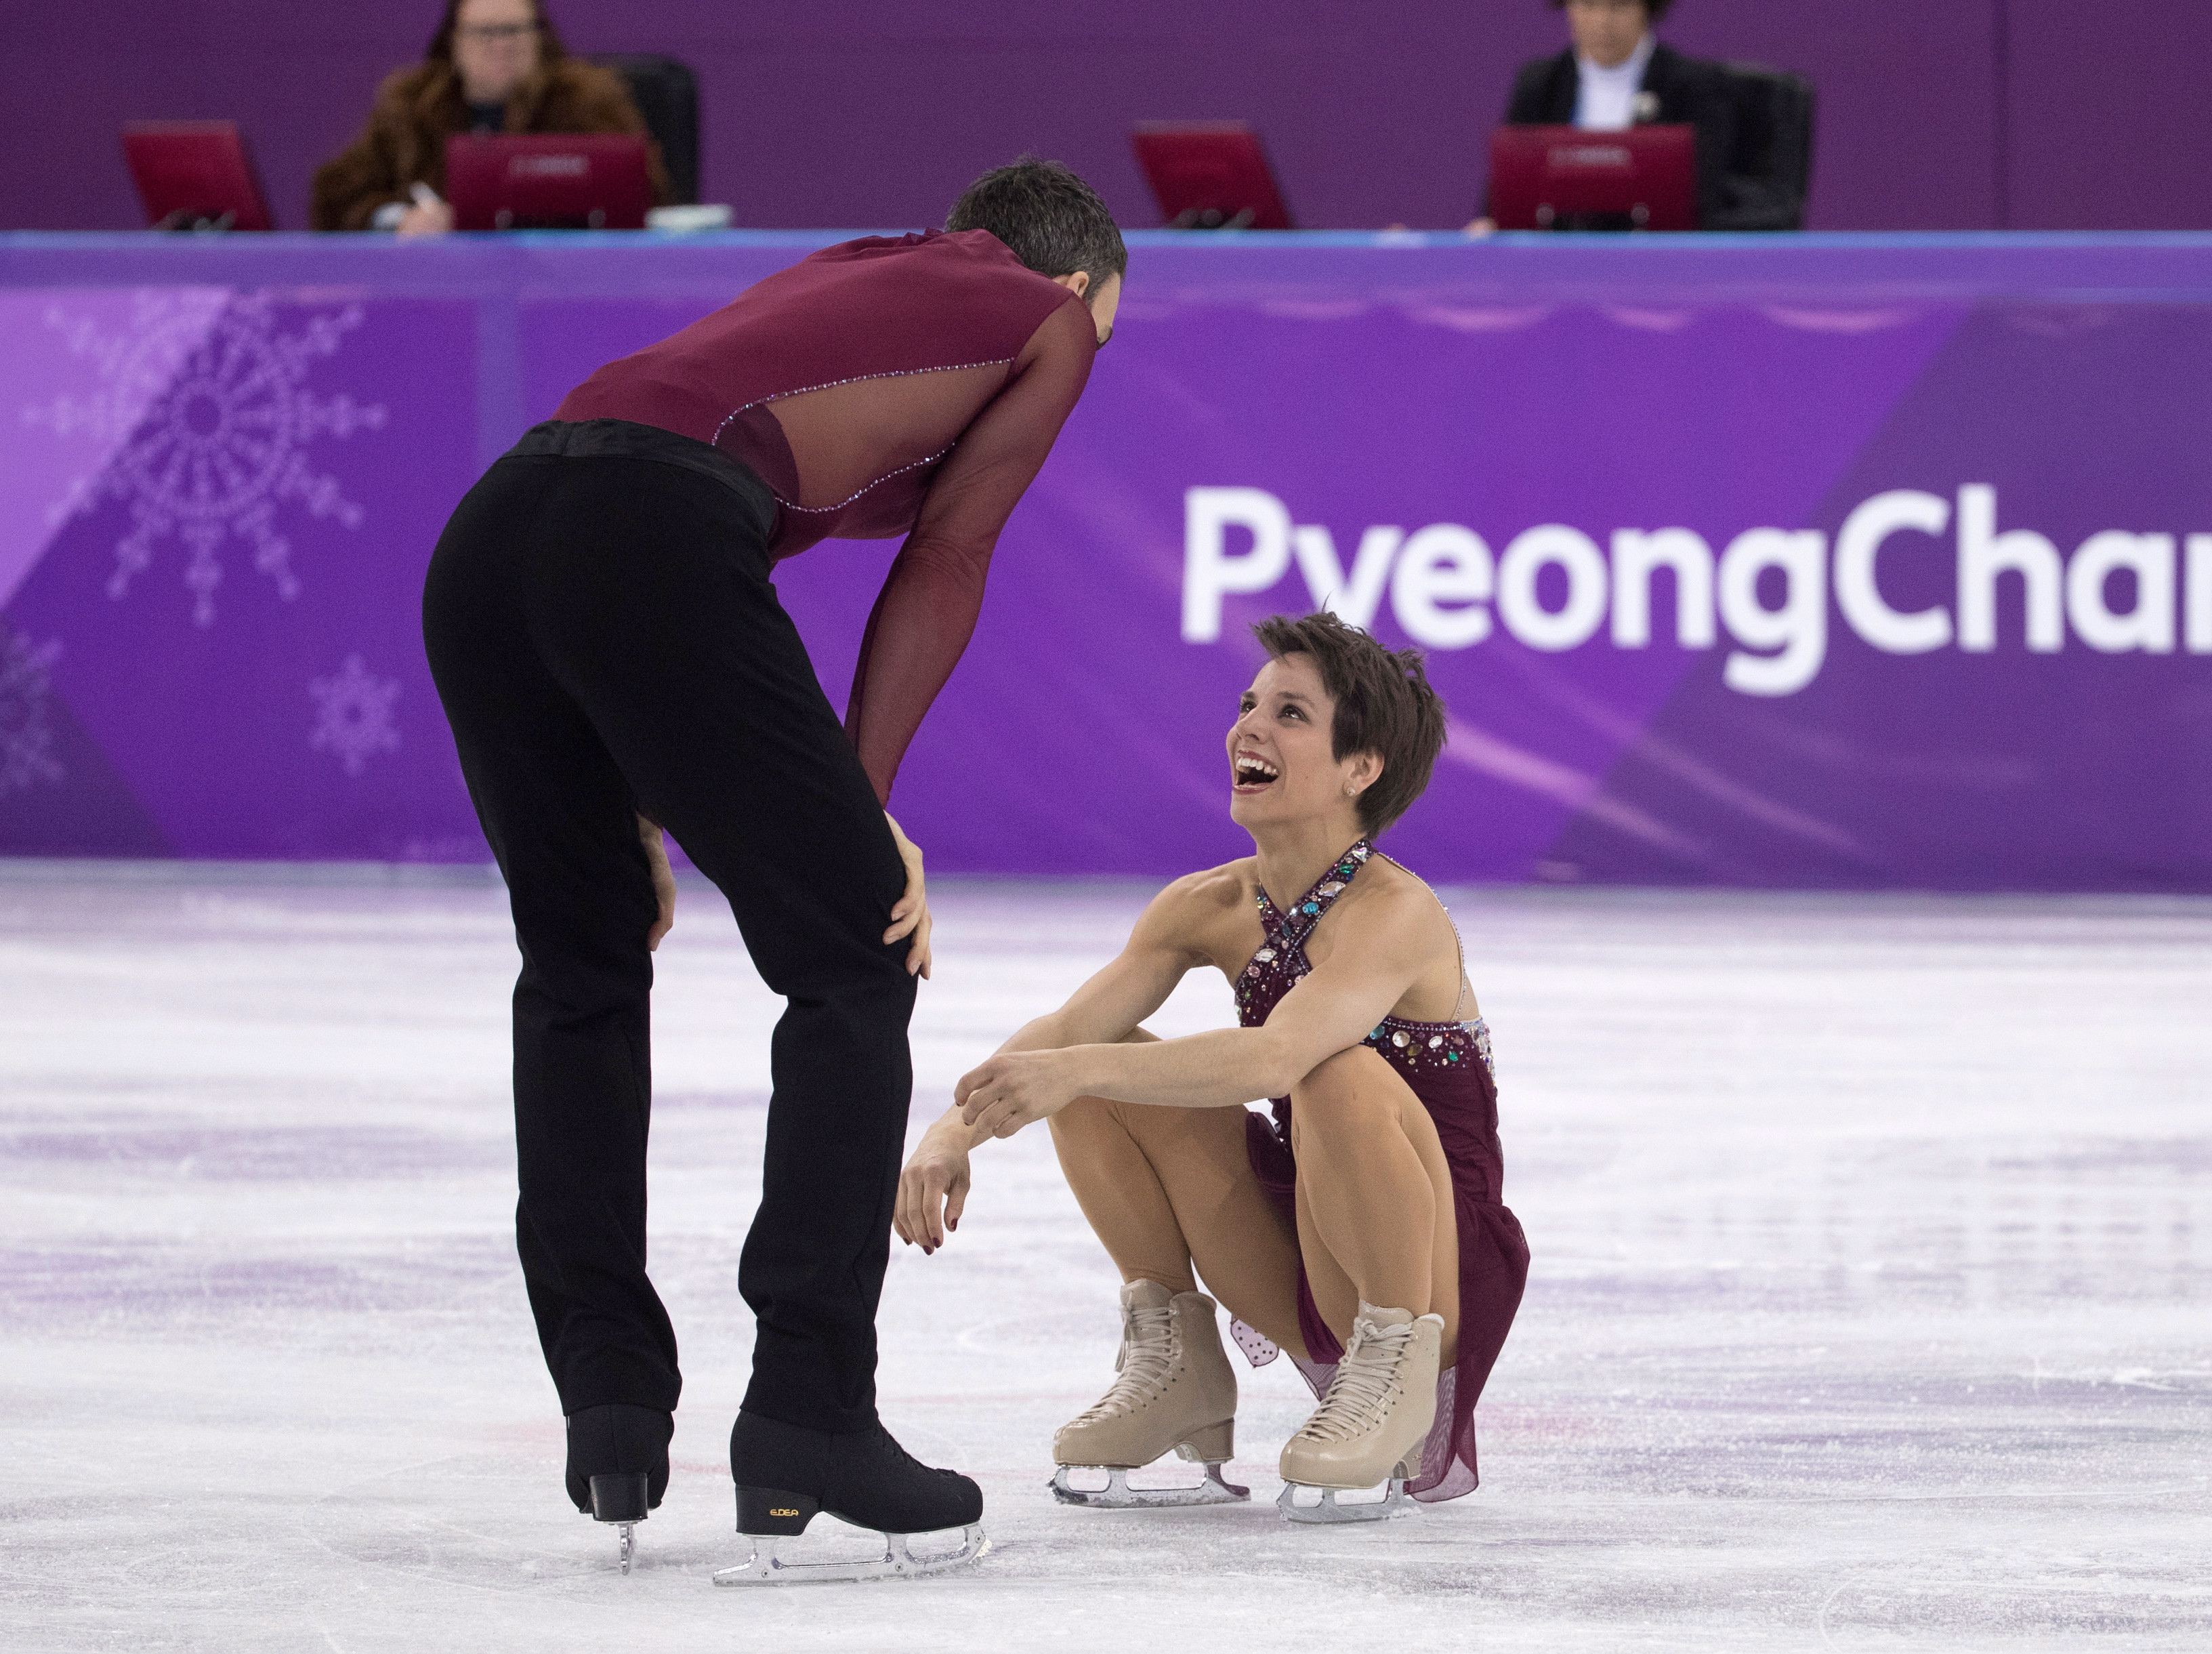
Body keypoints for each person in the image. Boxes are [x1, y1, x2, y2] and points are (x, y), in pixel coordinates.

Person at [420, 157, 1126, 1579]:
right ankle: (808, 1403)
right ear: (1078, 285)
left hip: (496, 534)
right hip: (646, 537)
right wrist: (866, 816)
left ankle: (610, 1391)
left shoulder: (865, 255)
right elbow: (949, 554)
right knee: (861, 950)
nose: (1088, 360)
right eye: (1108, 326)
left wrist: (634, 788)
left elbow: (644, 482)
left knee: (582, 959)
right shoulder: (1046, 318)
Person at [895, 613, 1530, 1522]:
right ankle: (1178, 1362)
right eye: (1248, 704)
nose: (1249, 728)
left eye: (1292, 714)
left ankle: (1391, 1368)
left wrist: (1065, 1069)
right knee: (1099, 1063)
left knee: (1331, 1069)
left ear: (1362, 767)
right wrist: (949, 1133)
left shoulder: (1396, 911)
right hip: (1305, 1235)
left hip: (1438, 1264)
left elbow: (1277, 1053)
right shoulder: (1206, 904)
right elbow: (1071, 1029)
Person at [310, 0, 671, 235]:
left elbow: (648, 193)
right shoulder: (411, 105)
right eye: (484, 33)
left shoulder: (588, 101)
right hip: (443, 290)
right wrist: (397, 219)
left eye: (514, 31)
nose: (501, 45)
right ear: (454, 41)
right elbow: (336, 194)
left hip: (564, 285)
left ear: (539, 39)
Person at [1467, 0, 1789, 232]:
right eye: (1588, 5)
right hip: (1556, 266)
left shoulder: (1693, 87)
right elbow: (1506, 197)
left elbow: (1705, 199)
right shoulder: (1540, 85)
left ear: (1646, 9)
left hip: (1659, 270)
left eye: (1618, 6)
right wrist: (1491, 227)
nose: (1602, 21)